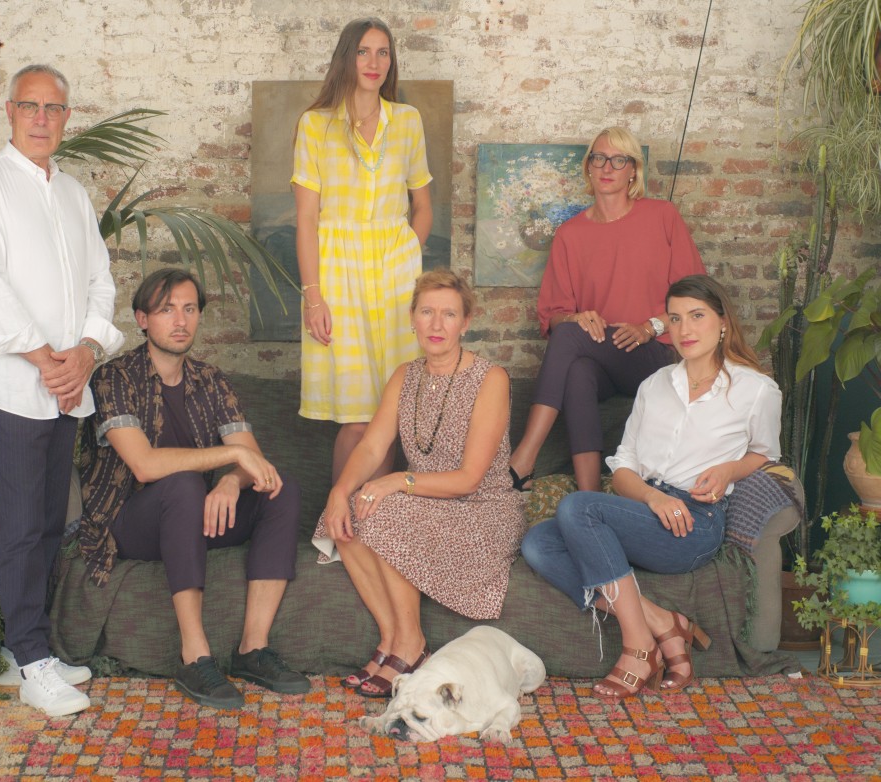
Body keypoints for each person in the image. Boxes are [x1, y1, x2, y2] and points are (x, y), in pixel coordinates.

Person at [0, 64, 124, 717]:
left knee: (50, 521)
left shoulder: (74, 194)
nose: (43, 118)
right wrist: (44, 358)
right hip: (10, 388)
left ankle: (29, 650)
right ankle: (29, 660)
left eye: (55, 108)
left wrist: (85, 351)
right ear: (10, 109)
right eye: (32, 105)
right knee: (20, 528)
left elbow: (101, 283)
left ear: (66, 117)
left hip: (65, 387)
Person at [521, 274, 781, 703]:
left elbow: (765, 454)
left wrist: (729, 471)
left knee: (576, 509)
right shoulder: (654, 386)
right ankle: (661, 622)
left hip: (694, 523)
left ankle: (638, 649)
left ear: (722, 323)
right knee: (538, 543)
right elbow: (624, 468)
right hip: (645, 508)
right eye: (675, 319)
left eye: (697, 316)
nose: (685, 330)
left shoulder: (756, 390)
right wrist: (652, 496)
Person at [77, 268, 310, 710]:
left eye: (189, 309)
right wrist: (228, 459)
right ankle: (194, 656)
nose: (180, 321)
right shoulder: (114, 379)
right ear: (142, 319)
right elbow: (145, 466)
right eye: (166, 310)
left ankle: (252, 650)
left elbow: (252, 462)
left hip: (197, 515)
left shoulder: (211, 381)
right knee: (181, 483)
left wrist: (230, 481)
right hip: (129, 521)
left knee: (280, 488)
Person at [314, 269, 526, 698]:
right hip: (424, 501)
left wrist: (396, 480)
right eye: (426, 312)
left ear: (466, 323)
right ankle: (393, 641)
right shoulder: (404, 376)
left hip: (482, 509)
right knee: (350, 511)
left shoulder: (491, 379)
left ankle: (410, 646)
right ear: (412, 318)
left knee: (385, 509)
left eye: (449, 314)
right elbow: (372, 447)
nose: (436, 324)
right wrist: (339, 492)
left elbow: (468, 479)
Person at [507, 127, 705, 493]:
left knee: (570, 341)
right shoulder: (570, 234)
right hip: (600, 360)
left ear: (634, 170)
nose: (607, 167)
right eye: (598, 158)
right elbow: (554, 315)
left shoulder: (663, 216)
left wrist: (651, 325)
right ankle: (590, 496)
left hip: (653, 354)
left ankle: (523, 458)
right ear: (588, 168)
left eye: (619, 159)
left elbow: (697, 298)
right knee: (578, 369)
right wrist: (576, 317)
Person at [293, 17, 433, 483]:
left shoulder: (407, 121)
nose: (374, 63)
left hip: (396, 279)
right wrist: (314, 297)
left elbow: (423, 205)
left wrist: (405, 253)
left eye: (384, 53)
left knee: (391, 415)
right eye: (364, 52)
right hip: (338, 277)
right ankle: (340, 522)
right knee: (356, 417)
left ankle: (378, 525)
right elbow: (307, 221)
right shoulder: (315, 126)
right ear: (346, 58)